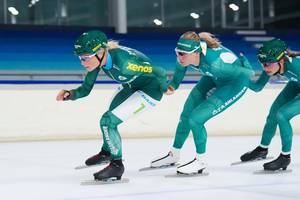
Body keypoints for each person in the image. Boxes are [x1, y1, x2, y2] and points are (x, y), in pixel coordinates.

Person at [56, 30, 168, 180]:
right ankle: (107, 153)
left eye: (85, 58)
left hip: (149, 91)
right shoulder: (98, 60)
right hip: (130, 85)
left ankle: (117, 165)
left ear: (101, 52)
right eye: (80, 58)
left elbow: (160, 71)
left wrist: (165, 88)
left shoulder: (126, 64)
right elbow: (86, 89)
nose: (82, 63)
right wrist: (70, 94)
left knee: (107, 121)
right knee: (109, 119)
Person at [150, 31, 254, 174]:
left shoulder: (216, 64)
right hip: (213, 77)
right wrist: (171, 86)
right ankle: (174, 154)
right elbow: (177, 76)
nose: (179, 57)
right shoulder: (184, 55)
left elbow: (247, 74)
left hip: (234, 84)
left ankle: (201, 160)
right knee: (186, 116)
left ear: (196, 53)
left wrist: (249, 69)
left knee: (196, 119)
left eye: (182, 54)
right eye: (177, 52)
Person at [240, 38, 300, 171]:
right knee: (273, 114)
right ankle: (262, 149)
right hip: (297, 83)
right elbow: (257, 87)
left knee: (282, 115)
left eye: (267, 64)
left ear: (281, 60)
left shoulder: (296, 66)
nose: (264, 67)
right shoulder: (271, 64)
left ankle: (285, 158)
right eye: (262, 63)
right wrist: (241, 77)